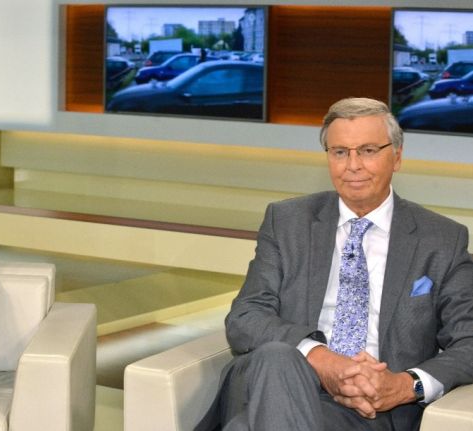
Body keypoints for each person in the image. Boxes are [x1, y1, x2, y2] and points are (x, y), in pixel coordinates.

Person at [198, 97, 473, 431]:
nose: (352, 165)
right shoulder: (287, 221)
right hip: (274, 378)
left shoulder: (441, 239)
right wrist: (320, 358)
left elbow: (469, 341)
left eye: (368, 150)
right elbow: (246, 316)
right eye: (340, 152)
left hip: (369, 411)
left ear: (397, 157)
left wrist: (404, 386)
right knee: (279, 357)